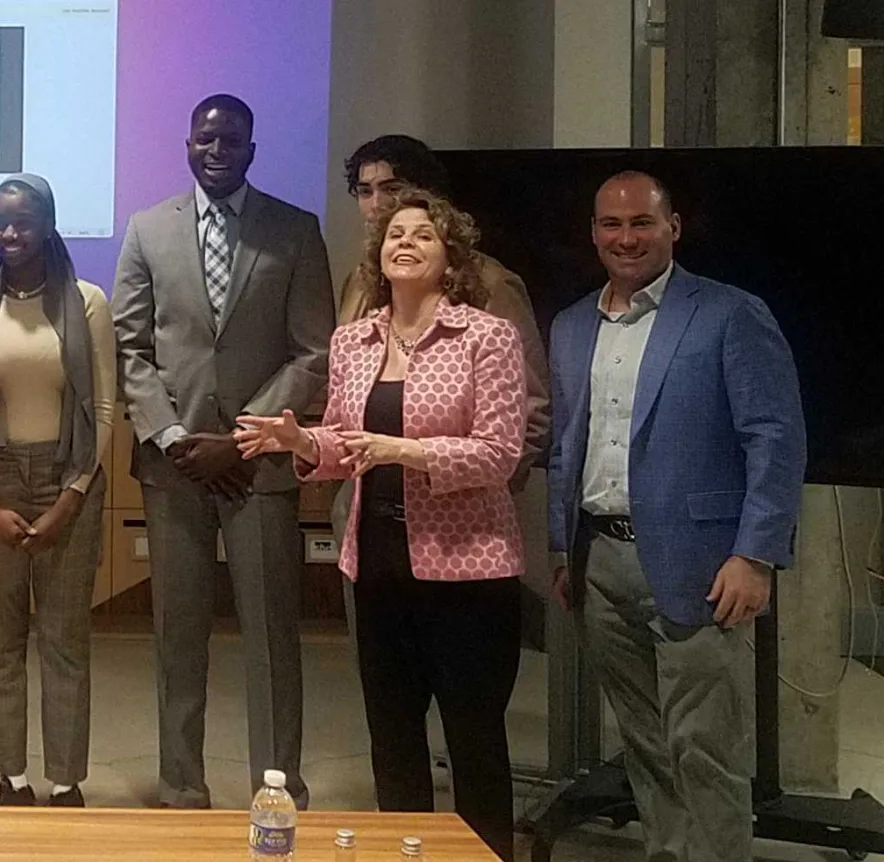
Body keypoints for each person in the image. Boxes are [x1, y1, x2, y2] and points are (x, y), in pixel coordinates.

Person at [238, 187, 527, 859]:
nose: (406, 243)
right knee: (393, 739)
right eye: (396, 234)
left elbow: (500, 452)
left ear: (450, 255)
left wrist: (406, 451)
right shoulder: (354, 341)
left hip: (468, 569)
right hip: (378, 563)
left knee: (475, 741)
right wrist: (301, 441)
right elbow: (346, 445)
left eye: (423, 234)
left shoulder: (487, 336)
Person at [547, 171, 805, 862]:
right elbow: (567, 444)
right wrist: (562, 549)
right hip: (599, 561)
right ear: (594, 233)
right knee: (645, 744)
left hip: (702, 565)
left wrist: (755, 555)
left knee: (704, 749)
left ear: (674, 228)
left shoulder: (729, 313)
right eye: (611, 224)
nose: (626, 237)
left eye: (642, 222)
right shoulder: (571, 325)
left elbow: (775, 438)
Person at [110, 93, 335, 809]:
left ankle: (278, 788)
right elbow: (130, 346)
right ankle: (182, 786)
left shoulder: (295, 230)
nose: (216, 151)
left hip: (257, 467)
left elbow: (314, 351)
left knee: (271, 638)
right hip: (173, 464)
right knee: (178, 636)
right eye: (204, 139)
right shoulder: (147, 229)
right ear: (187, 146)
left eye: (230, 140)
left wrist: (242, 439)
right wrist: (174, 436)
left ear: (251, 150)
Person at [0, 175, 113, 807]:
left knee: (65, 642)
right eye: (0, 221)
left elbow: (103, 406)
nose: (10, 233)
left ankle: (65, 781)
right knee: (2, 641)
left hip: (71, 477)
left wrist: (72, 495)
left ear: (48, 224)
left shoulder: (87, 302)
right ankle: (11, 778)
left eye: (23, 221)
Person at [338, 134, 548, 486]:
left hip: (458, 501)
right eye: (365, 191)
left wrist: (475, 491)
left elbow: (532, 411)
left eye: (391, 189)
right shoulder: (359, 281)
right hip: (365, 495)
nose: (376, 204)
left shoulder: (491, 282)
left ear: (426, 193)